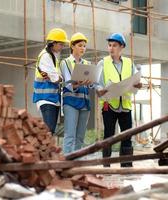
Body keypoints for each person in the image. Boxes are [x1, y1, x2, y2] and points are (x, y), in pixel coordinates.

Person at [96, 33, 142, 167]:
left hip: (125, 105)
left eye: (114, 45)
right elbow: (97, 83)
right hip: (109, 104)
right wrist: (100, 89)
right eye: (109, 45)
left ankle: (126, 165)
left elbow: (135, 79)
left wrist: (138, 84)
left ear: (121, 47)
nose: (111, 48)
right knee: (109, 135)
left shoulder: (129, 63)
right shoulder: (102, 63)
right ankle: (106, 164)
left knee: (127, 136)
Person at [33, 28, 69, 134]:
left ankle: (45, 149)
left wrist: (59, 78)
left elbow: (56, 77)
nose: (62, 47)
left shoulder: (52, 56)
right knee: (49, 130)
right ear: (53, 43)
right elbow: (55, 78)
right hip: (46, 98)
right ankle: (42, 150)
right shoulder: (45, 57)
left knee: (50, 130)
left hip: (52, 98)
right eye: (61, 44)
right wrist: (60, 78)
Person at [60, 32, 91, 154]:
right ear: (72, 46)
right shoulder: (65, 62)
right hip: (71, 102)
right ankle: (67, 162)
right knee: (70, 135)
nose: (83, 48)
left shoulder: (87, 64)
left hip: (84, 102)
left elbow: (92, 84)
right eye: (80, 45)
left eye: (84, 46)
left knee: (80, 137)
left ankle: (79, 162)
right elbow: (68, 83)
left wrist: (90, 82)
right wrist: (79, 83)